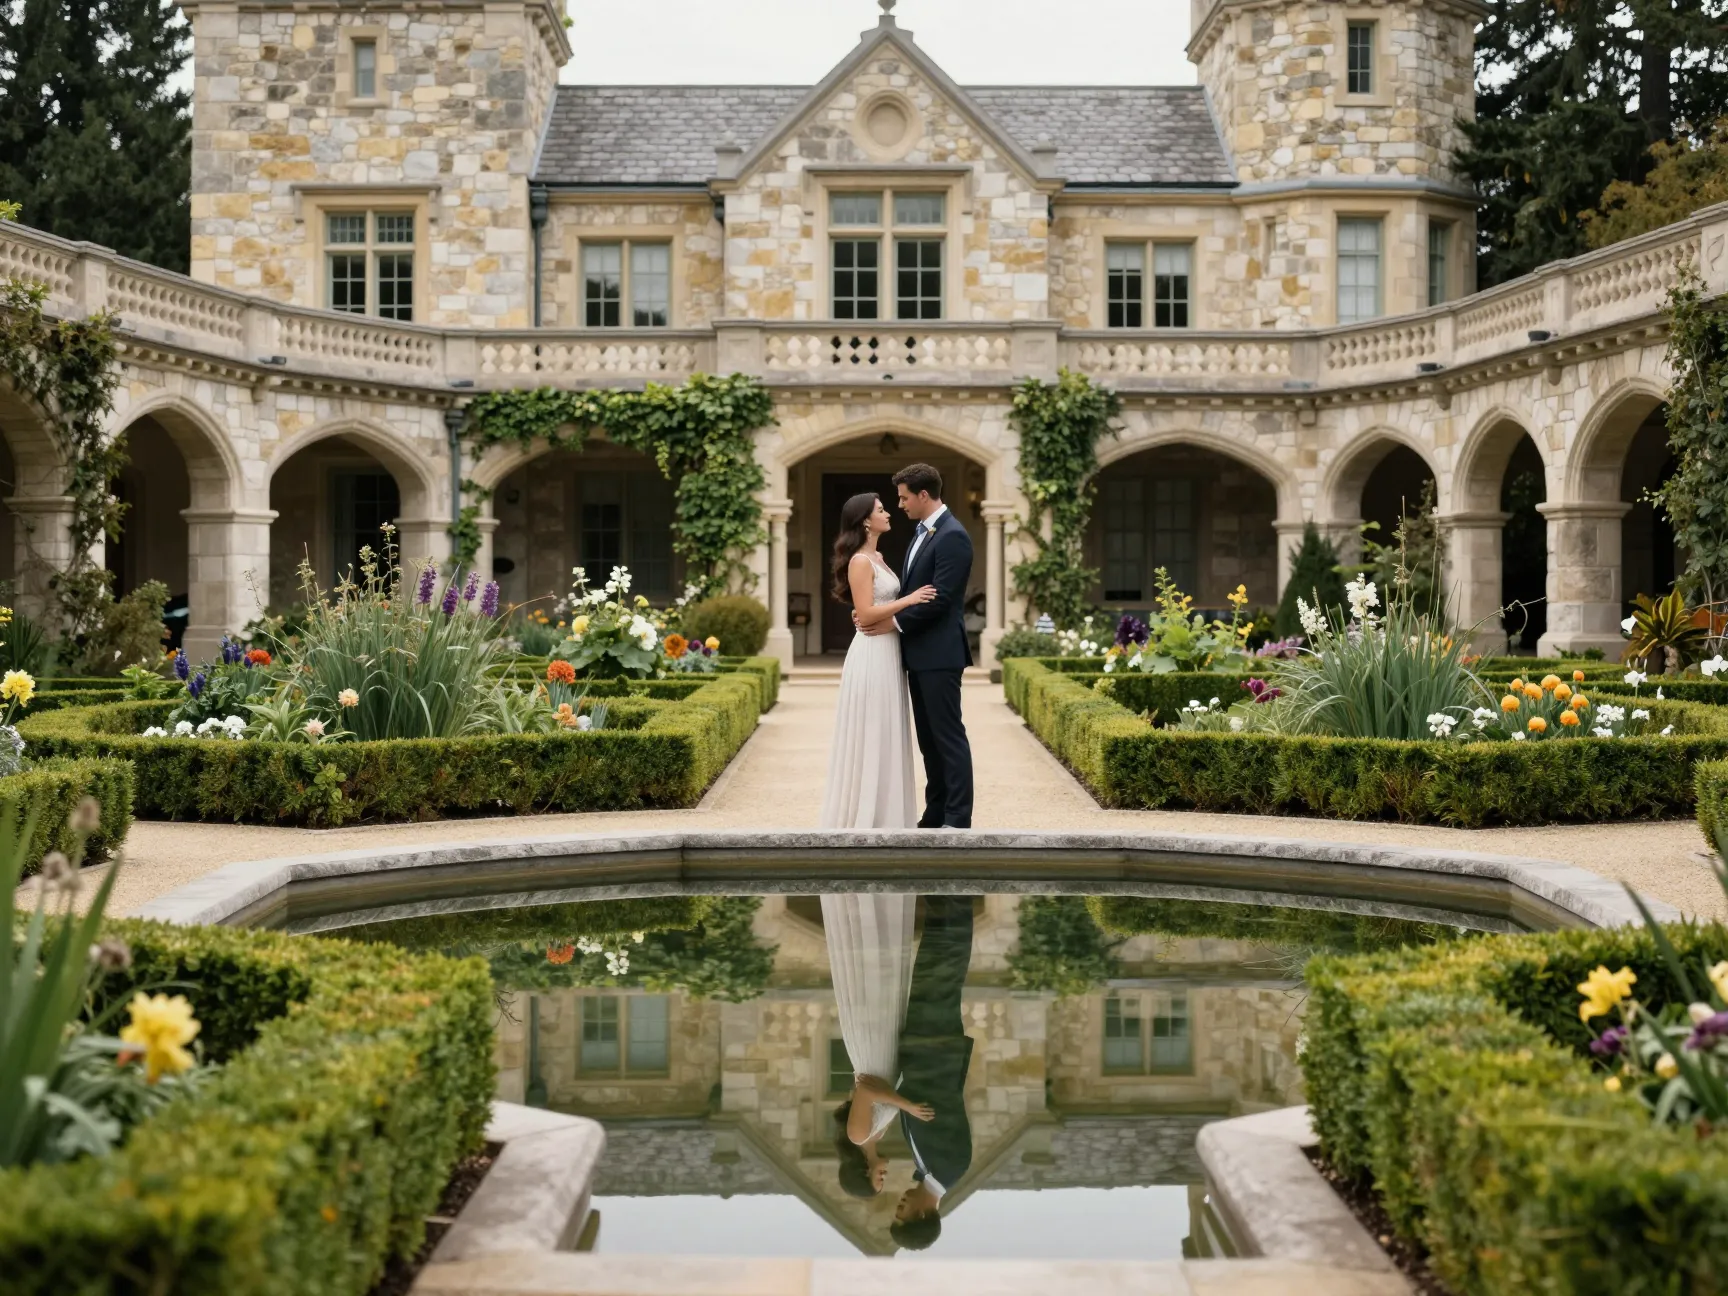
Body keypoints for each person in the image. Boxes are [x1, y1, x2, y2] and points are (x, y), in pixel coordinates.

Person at [856, 463, 975, 830]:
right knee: (928, 739)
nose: (901, 504)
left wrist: (888, 622)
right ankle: (935, 811)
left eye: (905, 497)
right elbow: (907, 594)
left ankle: (957, 817)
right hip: (918, 655)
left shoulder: (952, 535)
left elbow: (940, 600)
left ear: (924, 495)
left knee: (947, 736)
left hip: (940, 655)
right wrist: (873, 612)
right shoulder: (922, 533)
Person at [819, 492, 936, 830]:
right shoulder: (859, 561)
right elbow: (867, 613)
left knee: (888, 729)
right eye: (882, 510)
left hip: (889, 650)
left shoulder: (879, 557)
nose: (889, 513)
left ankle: (889, 815)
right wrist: (910, 600)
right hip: (871, 653)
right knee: (871, 728)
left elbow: (870, 609)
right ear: (866, 521)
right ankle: (864, 816)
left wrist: (898, 607)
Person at [822, 892, 931, 1198]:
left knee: (872, 977)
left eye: (879, 1181)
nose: (885, 1177)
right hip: (885, 1049)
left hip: (872, 1047)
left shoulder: (858, 1136)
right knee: (886, 974)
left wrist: (907, 1105)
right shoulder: (878, 1132)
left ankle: (866, 900)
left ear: (864, 1173)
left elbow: (866, 1089)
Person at [889, 894, 975, 1252]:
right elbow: (943, 1098)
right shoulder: (950, 1167)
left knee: (932, 959)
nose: (898, 1205)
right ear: (922, 1217)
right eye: (901, 1213)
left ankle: (942, 879)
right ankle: (954, 873)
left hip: (925, 1046)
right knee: (944, 963)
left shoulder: (927, 1169)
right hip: (936, 1045)